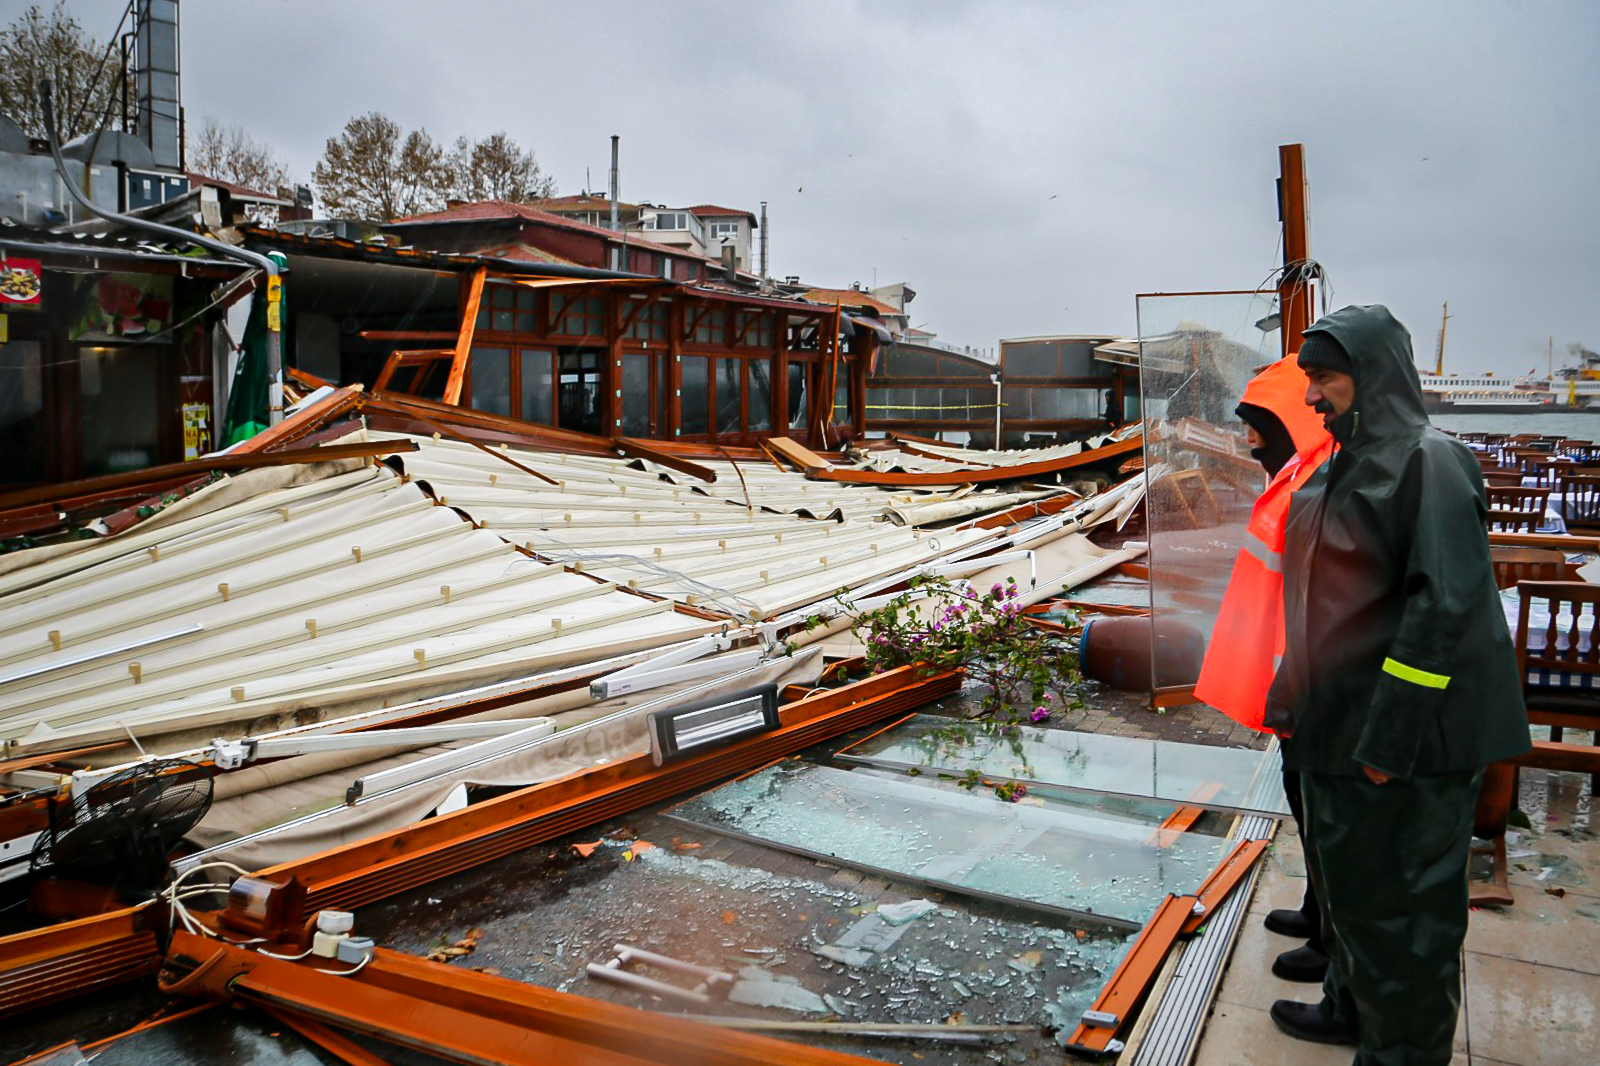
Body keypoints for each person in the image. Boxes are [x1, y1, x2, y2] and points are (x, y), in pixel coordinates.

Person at [1264, 306, 1532, 1064]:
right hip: (1337, 726)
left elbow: (1442, 605)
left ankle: (1403, 1052)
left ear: (1373, 373)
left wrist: (1390, 739)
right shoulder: (1341, 461)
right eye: (1309, 378)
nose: (1311, 396)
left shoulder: (1427, 461)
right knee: (1351, 890)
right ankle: (1352, 1007)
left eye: (1324, 378)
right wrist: (1291, 689)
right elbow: (1325, 598)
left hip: (1407, 740)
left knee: (1407, 911)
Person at [1193, 356, 1335, 983]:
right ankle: (1319, 906)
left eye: (1258, 426)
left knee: (1323, 806)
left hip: (1316, 677)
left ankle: (1335, 934)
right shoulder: (1300, 471)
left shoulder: (1323, 476)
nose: (1249, 440)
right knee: (1304, 798)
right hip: (1291, 672)